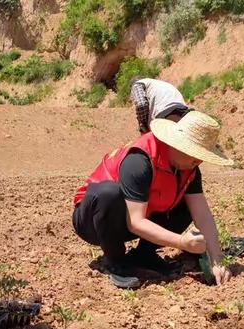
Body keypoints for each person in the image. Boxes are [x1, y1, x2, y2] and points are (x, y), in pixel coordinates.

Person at [72, 110, 234, 289]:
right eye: (194, 154)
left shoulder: (189, 168)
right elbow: (136, 222)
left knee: (187, 204)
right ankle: (116, 263)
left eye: (201, 157)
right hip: (94, 220)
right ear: (178, 143)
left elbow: (202, 214)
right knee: (109, 193)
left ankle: (144, 255)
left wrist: (217, 260)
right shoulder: (140, 160)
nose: (198, 162)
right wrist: (181, 243)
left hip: (132, 218)